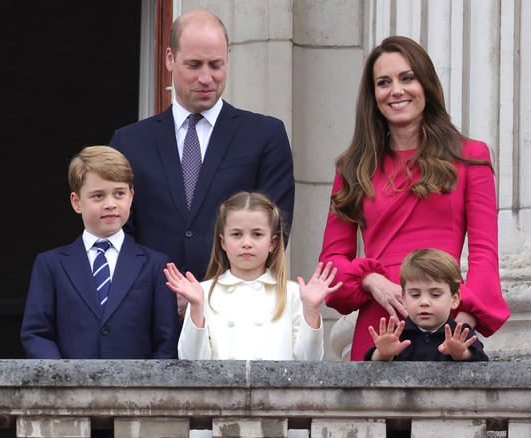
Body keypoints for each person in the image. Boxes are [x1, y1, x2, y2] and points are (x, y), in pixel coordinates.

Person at [319, 36, 509, 361]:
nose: (396, 90)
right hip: (381, 325)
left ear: (426, 84)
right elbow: (331, 263)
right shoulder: (351, 167)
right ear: (373, 96)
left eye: (407, 78)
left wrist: (463, 323)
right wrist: (370, 279)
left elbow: (484, 253)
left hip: (446, 323)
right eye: (384, 82)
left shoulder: (469, 156)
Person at [109, 10, 294, 289]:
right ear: (170, 59)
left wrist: (210, 296)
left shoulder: (265, 135)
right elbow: (117, 232)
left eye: (216, 65)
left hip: (235, 312)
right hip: (151, 313)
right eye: (194, 65)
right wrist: (163, 296)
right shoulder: (128, 142)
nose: (206, 78)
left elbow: (274, 230)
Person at [20, 146, 179, 359]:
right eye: (98, 196)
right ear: (77, 202)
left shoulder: (155, 264)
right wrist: (61, 382)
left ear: (131, 197)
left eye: (119, 193)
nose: (110, 204)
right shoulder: (50, 265)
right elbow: (36, 334)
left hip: (136, 389)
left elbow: (166, 341)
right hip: (70, 388)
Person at [165, 192, 341, 360]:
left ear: (272, 243)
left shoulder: (293, 294)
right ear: (223, 242)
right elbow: (192, 362)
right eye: (237, 234)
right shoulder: (203, 293)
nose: (247, 243)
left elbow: (309, 363)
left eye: (257, 234)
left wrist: (311, 310)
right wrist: (196, 307)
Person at [365, 248, 488, 361]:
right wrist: (383, 354)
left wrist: (461, 353)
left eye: (435, 295)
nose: (424, 302)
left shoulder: (460, 333)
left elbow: (482, 365)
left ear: (454, 299)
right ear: (404, 299)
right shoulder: (398, 334)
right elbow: (369, 370)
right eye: (415, 295)